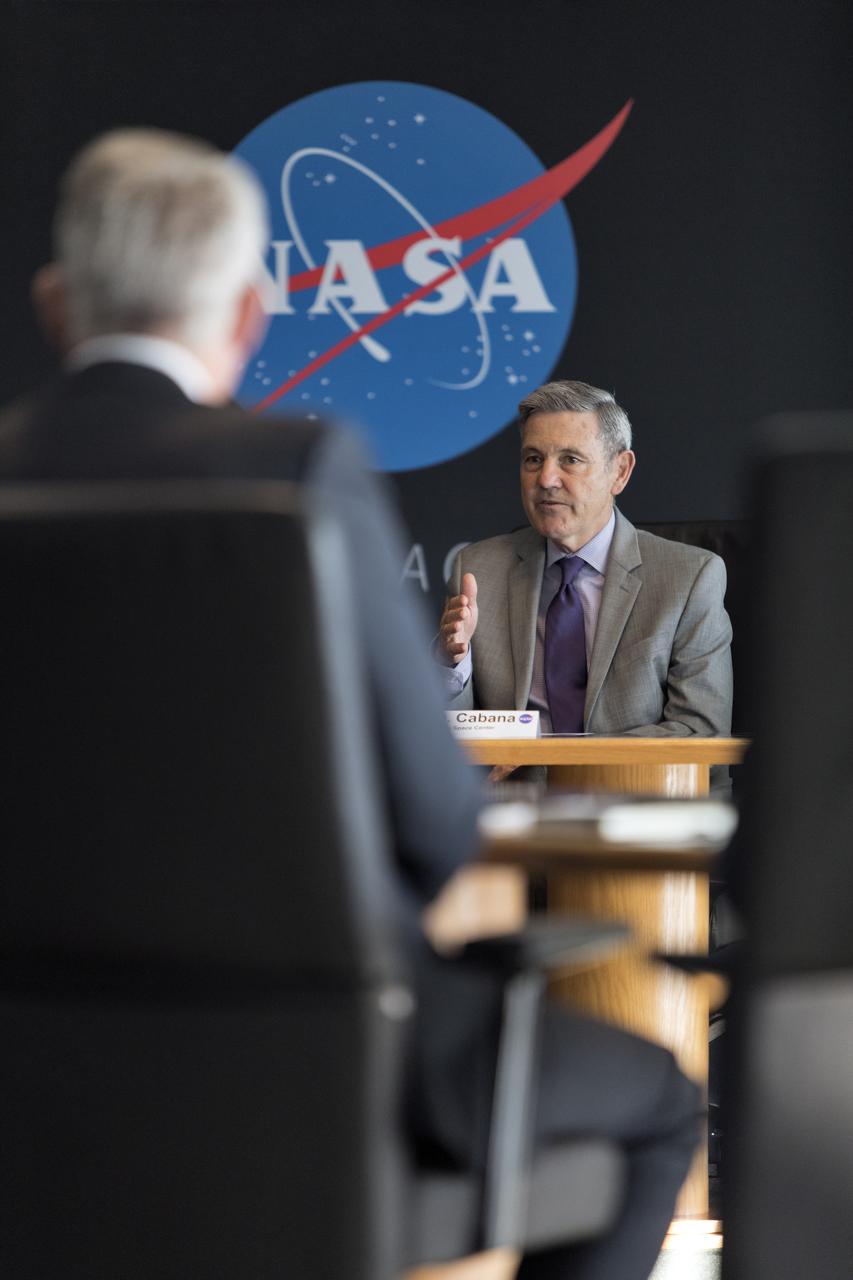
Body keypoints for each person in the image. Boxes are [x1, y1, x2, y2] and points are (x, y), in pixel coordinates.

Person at [0, 128, 700, 1280]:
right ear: (242, 319)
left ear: (54, 301)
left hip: (35, 1073)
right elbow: (431, 829)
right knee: (660, 1102)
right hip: (318, 1061)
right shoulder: (302, 473)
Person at [437, 381, 733, 767]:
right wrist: (451, 664)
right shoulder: (478, 569)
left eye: (570, 460)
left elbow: (700, 732)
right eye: (533, 459)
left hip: (635, 808)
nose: (545, 479)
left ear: (620, 472)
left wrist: (551, 757)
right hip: (512, 808)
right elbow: (441, 737)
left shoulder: (689, 578)